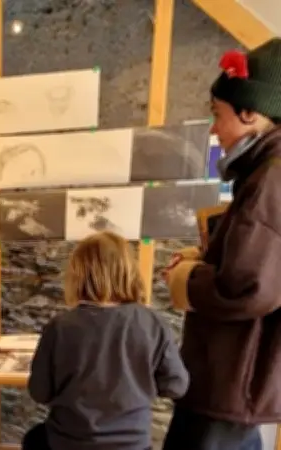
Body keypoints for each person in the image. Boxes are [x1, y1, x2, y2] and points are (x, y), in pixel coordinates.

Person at [162, 39, 281, 450]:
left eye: (218, 115)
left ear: (250, 113)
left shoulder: (270, 179)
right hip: (233, 388)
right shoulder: (264, 173)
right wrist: (208, 254)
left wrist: (185, 279)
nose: (214, 130)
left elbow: (245, 286)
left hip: (228, 385)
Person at [23, 231, 189, 450]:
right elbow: (176, 386)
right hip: (133, 445)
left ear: (76, 276)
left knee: (34, 439)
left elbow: (39, 392)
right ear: (130, 272)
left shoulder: (60, 327)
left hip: (69, 443)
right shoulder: (153, 323)